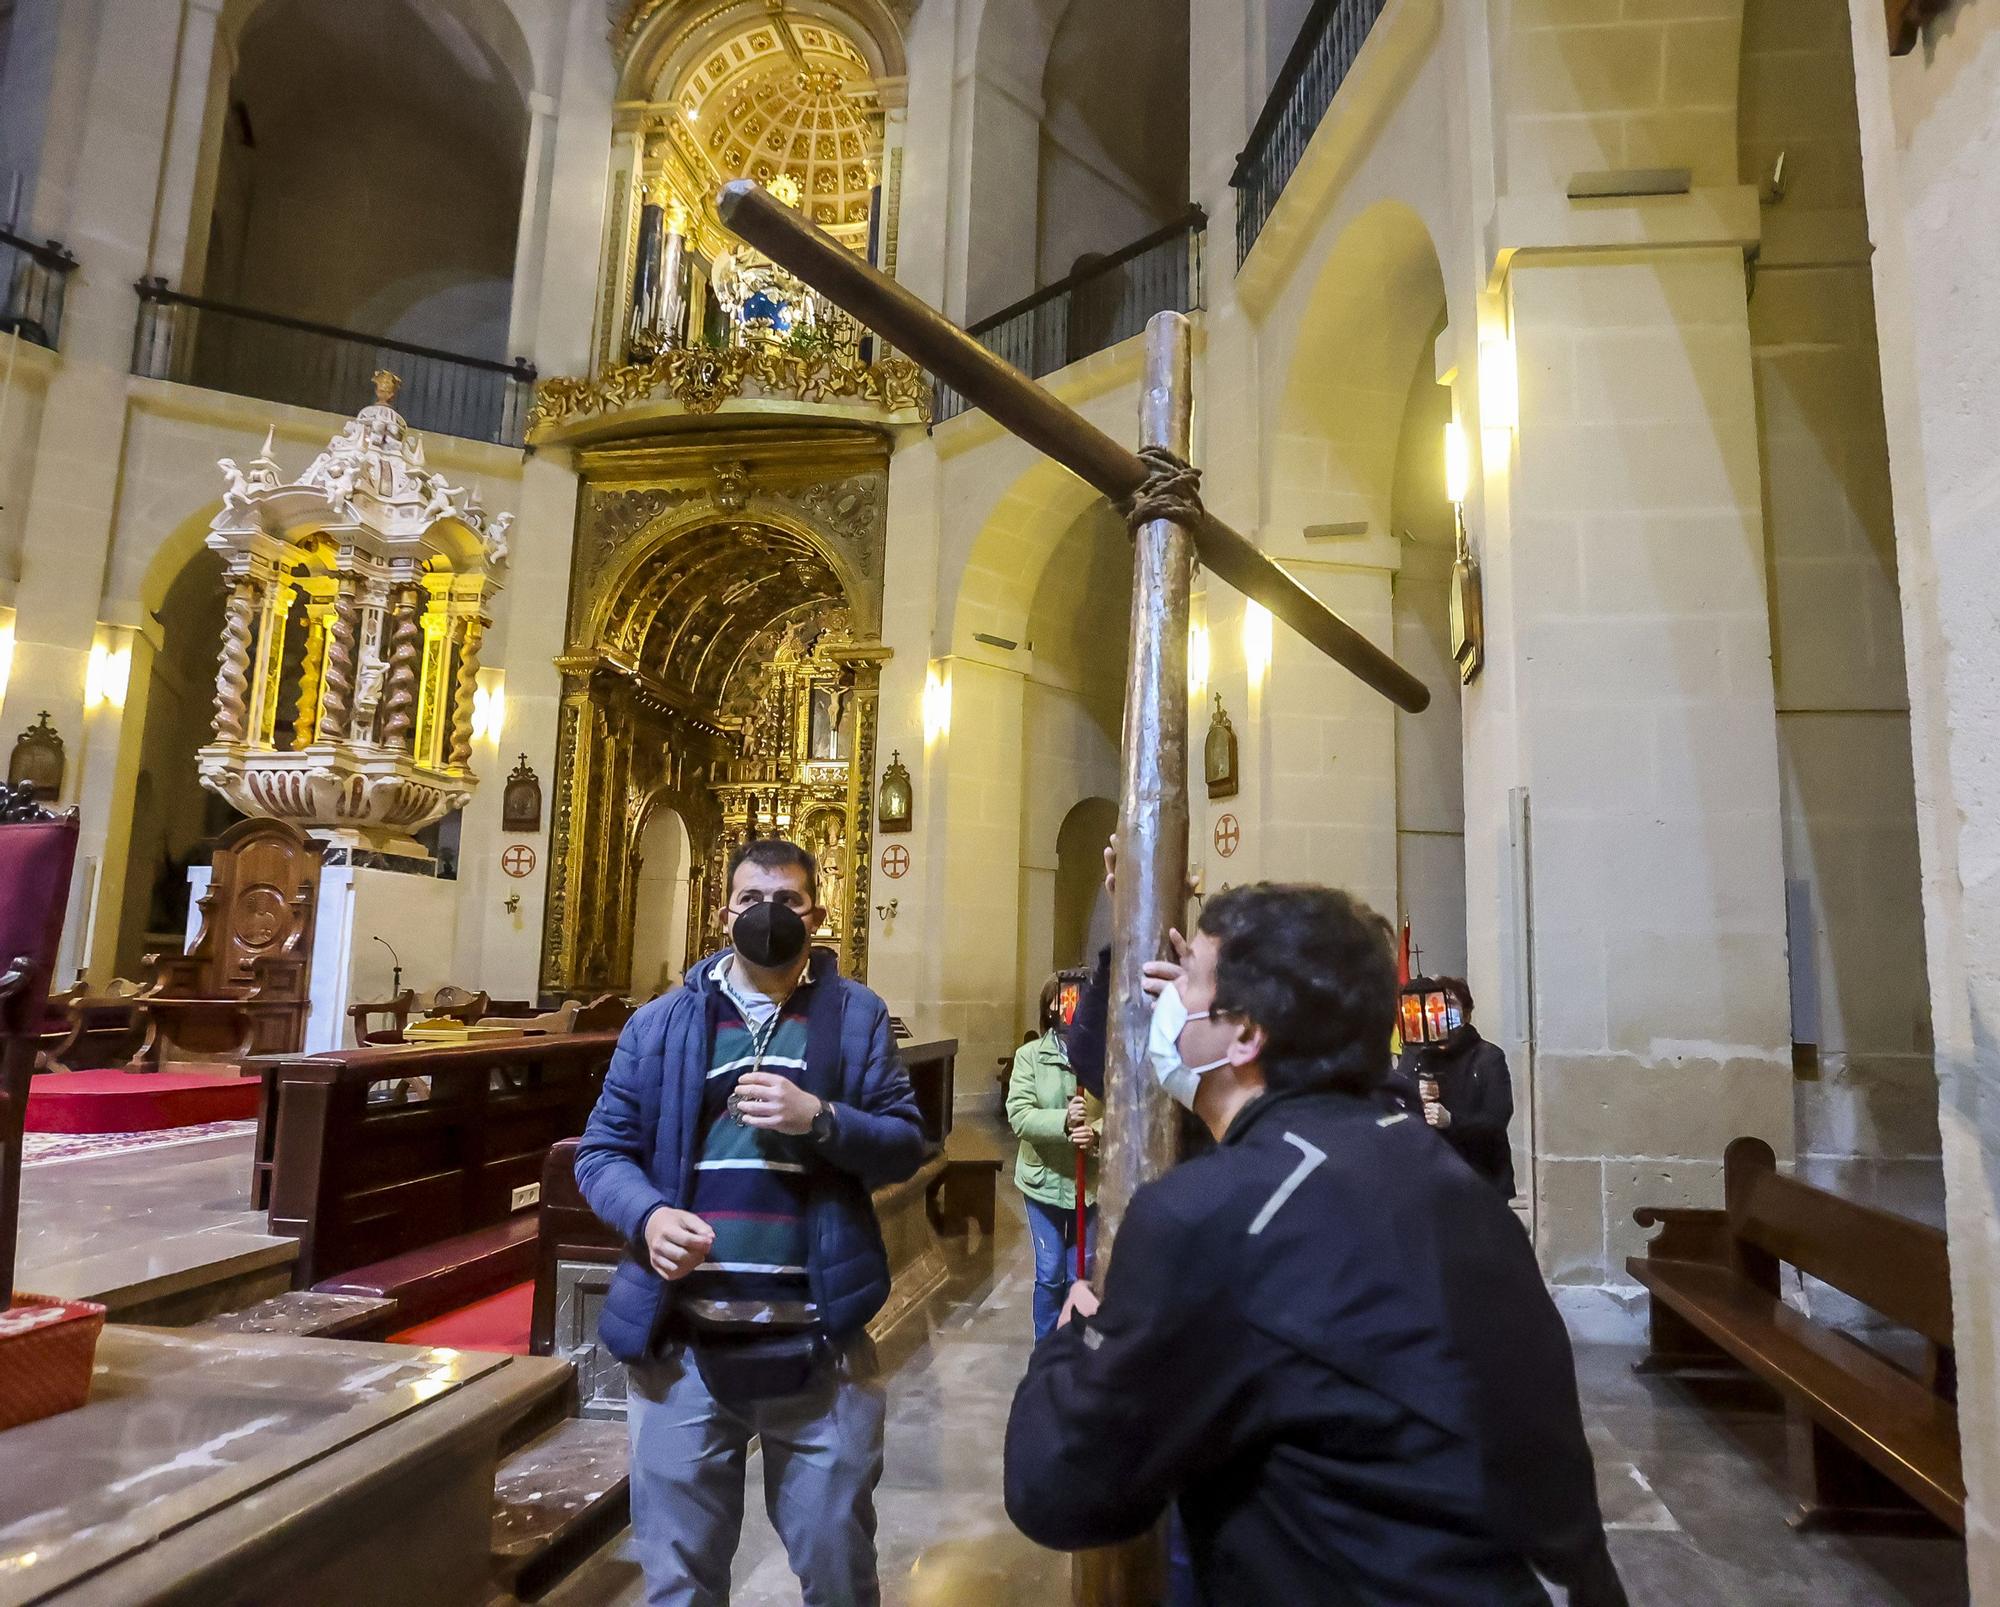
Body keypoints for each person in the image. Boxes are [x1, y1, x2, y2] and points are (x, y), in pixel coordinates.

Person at [1003, 882, 1626, 1606]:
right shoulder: (1444, 1177)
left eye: (1189, 979)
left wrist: (1070, 1341)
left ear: (1244, 1032)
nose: (1167, 1000)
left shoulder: (1210, 1213)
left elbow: (1059, 1486)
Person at [573, 838, 927, 1607]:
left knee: (839, 1570)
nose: (768, 915)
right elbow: (601, 1153)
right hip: (686, 1350)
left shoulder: (856, 1017)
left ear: (818, 913)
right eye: (752, 899)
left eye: (789, 901)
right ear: (723, 909)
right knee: (679, 1582)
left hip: (818, 1346)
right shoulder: (660, 1022)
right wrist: (650, 1213)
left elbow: (905, 1142)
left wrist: (822, 1118)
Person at [1006, 976, 1101, 1341]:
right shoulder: (1029, 1057)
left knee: (1084, 1269)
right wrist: (1063, 1120)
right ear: (1053, 1007)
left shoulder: (1100, 1057)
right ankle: (1046, 1351)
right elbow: (1020, 1114)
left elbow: (1122, 1107)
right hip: (1043, 1180)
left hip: (1087, 1182)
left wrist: (1096, 1132)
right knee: (1051, 1272)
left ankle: (1073, 1346)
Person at [1390, 975, 1517, 1197]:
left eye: (1450, 1003)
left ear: (1466, 1013)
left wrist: (1451, 1120)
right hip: (1432, 1179)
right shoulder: (1416, 1054)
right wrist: (1414, 1096)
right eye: (1436, 1004)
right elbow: (1396, 1107)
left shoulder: (1487, 1057)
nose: (1442, 1010)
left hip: (1481, 1179)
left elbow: (1496, 1119)